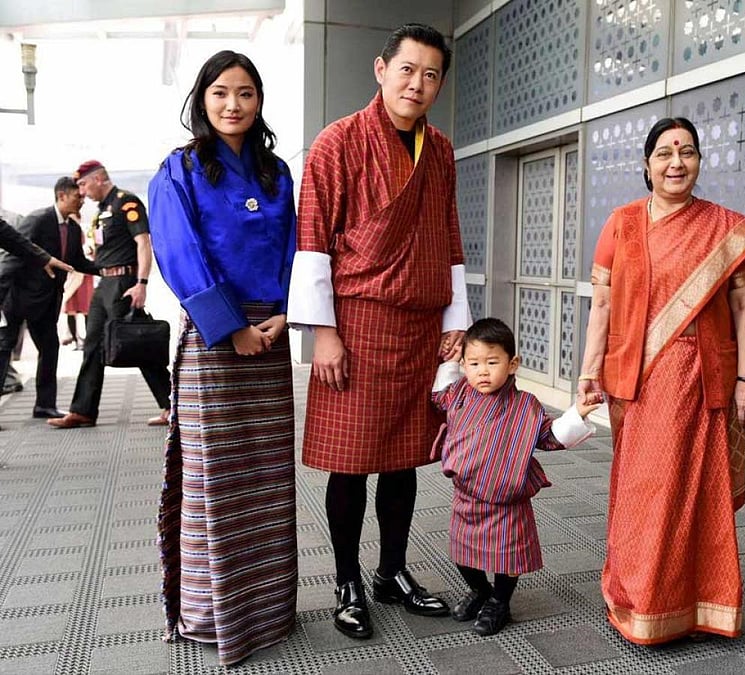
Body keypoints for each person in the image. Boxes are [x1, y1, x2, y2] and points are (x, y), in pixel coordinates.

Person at [287, 23, 470, 639]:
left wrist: (456, 322)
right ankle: (347, 580)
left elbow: (449, 235)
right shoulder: (337, 141)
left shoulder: (439, 149)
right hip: (358, 322)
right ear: (381, 69)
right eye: (408, 69)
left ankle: (392, 571)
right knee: (351, 461)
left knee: (403, 459)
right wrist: (323, 333)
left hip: (421, 324)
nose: (417, 84)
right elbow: (313, 239)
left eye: (431, 75)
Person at [577, 117, 745, 644]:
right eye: (664, 153)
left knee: (696, 492)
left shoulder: (724, 228)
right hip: (638, 379)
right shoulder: (621, 224)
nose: (676, 163)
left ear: (699, 162)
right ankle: (640, 599)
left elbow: (744, 308)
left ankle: (697, 603)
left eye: (687, 152)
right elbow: (602, 305)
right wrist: (589, 371)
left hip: (701, 375)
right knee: (643, 490)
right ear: (647, 165)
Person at [148, 50, 297, 666]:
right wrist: (231, 328)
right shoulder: (179, 168)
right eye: (220, 93)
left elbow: (296, 246)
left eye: (245, 93)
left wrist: (286, 311)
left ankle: (270, 609)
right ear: (201, 100)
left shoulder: (276, 171)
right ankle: (213, 614)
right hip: (217, 339)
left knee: (267, 475)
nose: (233, 105)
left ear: (259, 101)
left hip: (272, 333)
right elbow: (178, 250)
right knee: (215, 478)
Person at [430, 318, 599, 636]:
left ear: (512, 364)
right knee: (464, 554)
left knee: (506, 557)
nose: (482, 371)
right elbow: (438, 395)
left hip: (507, 499)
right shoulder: (459, 393)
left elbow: (549, 437)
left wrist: (578, 413)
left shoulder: (525, 405)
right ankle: (480, 591)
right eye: (474, 363)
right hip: (467, 497)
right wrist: (451, 363)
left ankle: (499, 601)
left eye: (492, 362)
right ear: (464, 365)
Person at [48, 161, 171, 429]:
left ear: (99, 178)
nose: (81, 192)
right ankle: (83, 411)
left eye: (83, 184)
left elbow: (143, 242)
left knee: (137, 343)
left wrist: (141, 283)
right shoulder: (101, 211)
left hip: (124, 283)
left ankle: (173, 405)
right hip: (104, 284)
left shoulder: (126, 202)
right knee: (92, 346)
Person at [0, 177, 97, 419]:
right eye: (77, 196)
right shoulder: (38, 219)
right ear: (62, 195)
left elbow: (76, 262)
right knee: (4, 350)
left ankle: (44, 405)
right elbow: (12, 255)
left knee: (50, 349)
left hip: (46, 303)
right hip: (17, 299)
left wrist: (107, 268)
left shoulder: (73, 229)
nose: (82, 201)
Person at [61, 216, 94, 350]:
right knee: (71, 308)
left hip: (85, 275)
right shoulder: (65, 231)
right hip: (71, 275)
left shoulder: (87, 231)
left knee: (86, 308)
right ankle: (75, 339)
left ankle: (89, 340)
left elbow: (94, 250)